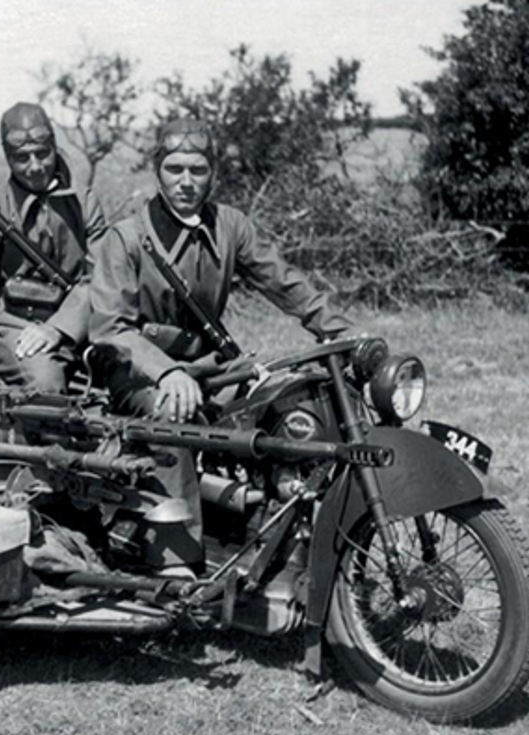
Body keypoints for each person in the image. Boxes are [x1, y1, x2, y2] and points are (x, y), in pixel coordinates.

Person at [89, 117, 351, 578]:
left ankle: (283, 533)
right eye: (174, 169)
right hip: (139, 374)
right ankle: (174, 556)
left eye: (198, 169)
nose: (186, 182)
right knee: (172, 416)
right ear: (157, 171)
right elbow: (111, 328)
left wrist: (339, 330)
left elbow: (284, 281)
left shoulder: (231, 226)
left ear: (213, 173)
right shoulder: (126, 238)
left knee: (289, 409)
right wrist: (167, 373)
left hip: (214, 366)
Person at [0, 102, 106, 392]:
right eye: (22, 158)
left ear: (54, 147)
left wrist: (58, 328)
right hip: (16, 326)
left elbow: (102, 276)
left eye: (42, 153)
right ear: (8, 158)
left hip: (81, 324)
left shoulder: (84, 203)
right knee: (45, 386)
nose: (35, 166)